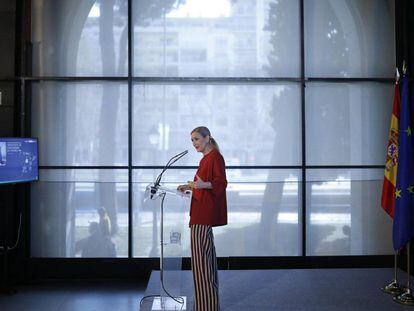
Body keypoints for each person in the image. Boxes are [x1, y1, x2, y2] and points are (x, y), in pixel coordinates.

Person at [177, 126, 228, 311]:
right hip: (199, 214)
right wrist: (189, 186)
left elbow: (221, 183)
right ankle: (206, 305)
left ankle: (206, 307)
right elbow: (203, 186)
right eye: (192, 140)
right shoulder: (205, 159)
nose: (194, 143)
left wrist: (200, 184)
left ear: (207, 138)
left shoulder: (215, 157)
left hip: (203, 216)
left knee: (201, 264)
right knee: (203, 263)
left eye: (197, 139)